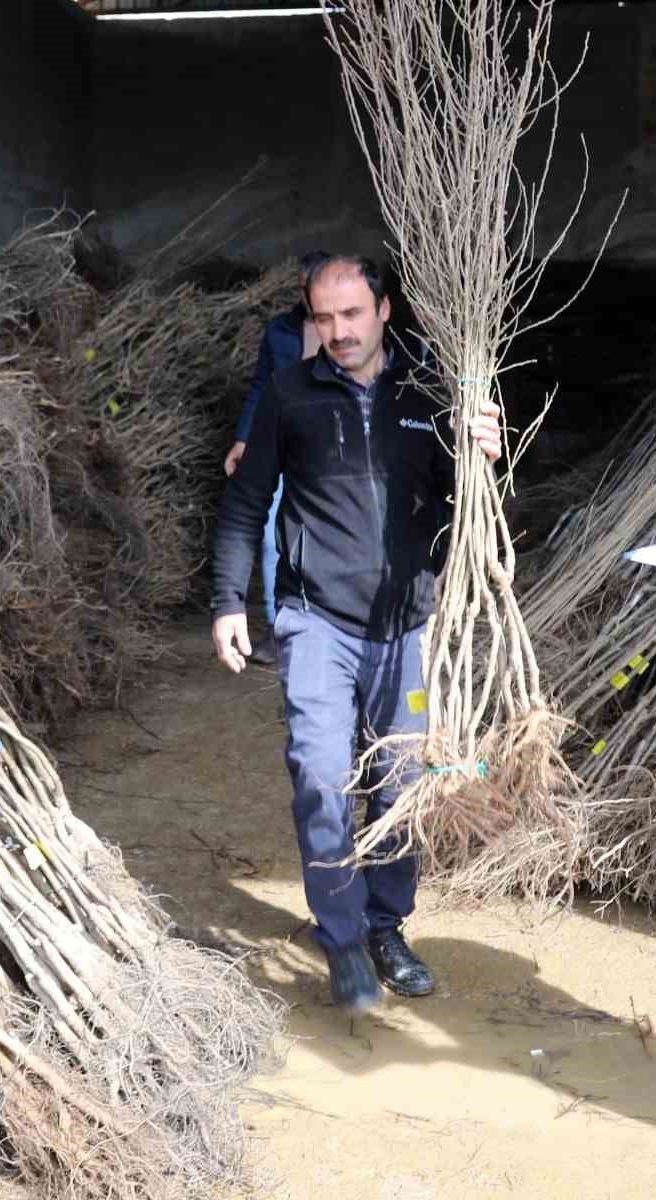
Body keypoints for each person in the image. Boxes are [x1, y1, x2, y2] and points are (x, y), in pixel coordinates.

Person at [210, 253, 501, 1013]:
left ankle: (385, 926)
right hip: (315, 619)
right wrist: (227, 602)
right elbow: (246, 504)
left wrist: (485, 459)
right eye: (323, 318)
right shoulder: (289, 393)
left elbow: (471, 505)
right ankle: (342, 940)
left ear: (384, 313)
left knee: (402, 784)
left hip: (406, 621)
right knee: (319, 772)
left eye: (351, 315)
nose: (337, 332)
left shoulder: (430, 395)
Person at [223, 250, 324, 664]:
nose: (305, 293)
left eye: (311, 285)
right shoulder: (281, 330)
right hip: (282, 441)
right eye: (301, 286)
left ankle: (326, 629)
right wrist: (243, 439)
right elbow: (262, 386)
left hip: (331, 450)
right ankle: (279, 630)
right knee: (271, 538)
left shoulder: (355, 331)